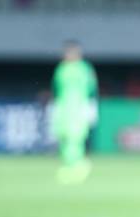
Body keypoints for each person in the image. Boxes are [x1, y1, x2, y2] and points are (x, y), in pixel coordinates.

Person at [51, 40, 98, 184]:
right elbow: (56, 89)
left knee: (76, 138)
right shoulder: (61, 69)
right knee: (64, 136)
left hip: (78, 109)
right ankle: (69, 164)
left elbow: (92, 89)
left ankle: (77, 166)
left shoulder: (84, 69)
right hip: (64, 108)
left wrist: (90, 108)